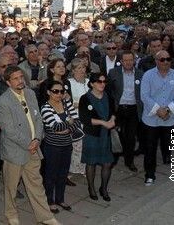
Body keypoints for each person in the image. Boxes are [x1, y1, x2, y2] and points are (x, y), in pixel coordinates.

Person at [0, 66, 60, 225]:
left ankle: (45, 216)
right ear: (8, 82)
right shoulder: (3, 102)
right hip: (15, 152)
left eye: (21, 77)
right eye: (16, 79)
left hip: (34, 148)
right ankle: (11, 214)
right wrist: (28, 144)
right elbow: (9, 130)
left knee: (36, 184)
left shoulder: (30, 93)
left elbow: (38, 118)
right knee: (11, 187)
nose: (20, 81)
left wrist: (37, 139)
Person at [140, 50, 174, 185]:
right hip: (151, 120)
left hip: (171, 119)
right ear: (156, 61)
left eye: (168, 59)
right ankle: (150, 175)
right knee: (150, 149)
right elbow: (144, 96)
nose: (166, 62)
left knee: (173, 146)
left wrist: (168, 110)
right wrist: (159, 110)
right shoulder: (148, 75)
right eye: (162, 59)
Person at [40, 80, 81, 213]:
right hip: (52, 147)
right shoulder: (45, 108)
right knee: (51, 175)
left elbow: (78, 123)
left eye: (62, 91)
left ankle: (60, 199)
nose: (59, 94)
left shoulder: (66, 103)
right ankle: (49, 201)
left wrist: (67, 128)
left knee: (63, 174)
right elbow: (55, 127)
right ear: (48, 92)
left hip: (67, 145)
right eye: (55, 91)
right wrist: (69, 122)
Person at [78, 73, 115, 201]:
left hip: (106, 135)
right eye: (99, 82)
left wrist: (113, 120)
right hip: (92, 135)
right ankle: (91, 188)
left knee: (107, 163)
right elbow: (84, 118)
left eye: (104, 82)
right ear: (92, 83)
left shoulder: (108, 96)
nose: (102, 84)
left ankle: (103, 188)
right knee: (91, 162)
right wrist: (103, 122)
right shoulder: (85, 98)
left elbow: (114, 111)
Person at [107, 50, 144, 172]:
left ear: (134, 61)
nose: (128, 62)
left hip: (133, 109)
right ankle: (114, 159)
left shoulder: (140, 74)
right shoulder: (113, 73)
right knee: (117, 135)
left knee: (131, 136)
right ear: (121, 61)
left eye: (130, 60)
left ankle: (129, 161)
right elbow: (109, 91)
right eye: (125, 60)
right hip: (119, 109)